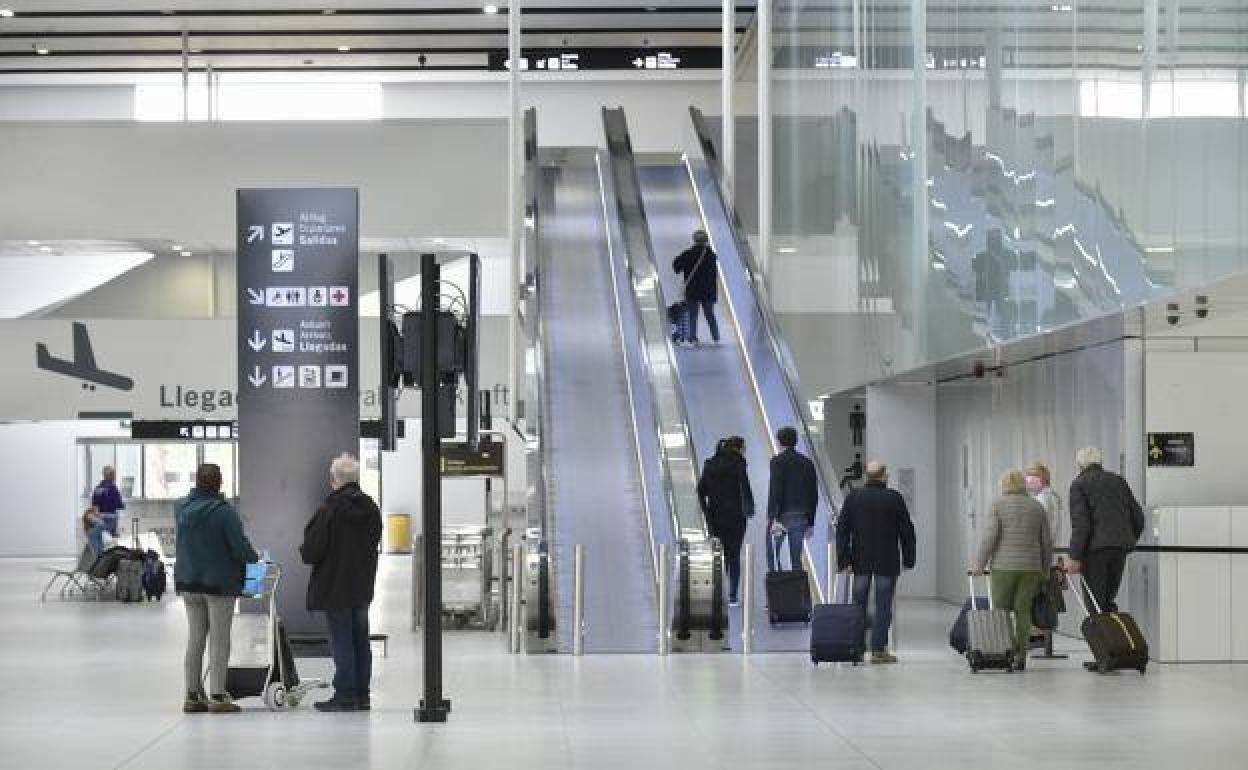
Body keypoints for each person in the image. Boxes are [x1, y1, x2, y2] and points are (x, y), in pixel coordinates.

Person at [300, 453, 383, 713]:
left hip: (334, 585)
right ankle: (361, 694)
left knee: (342, 640)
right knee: (360, 638)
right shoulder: (370, 507)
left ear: (335, 480)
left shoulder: (330, 509)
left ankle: (345, 694)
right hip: (361, 585)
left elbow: (311, 551)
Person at [174, 463, 258, 714]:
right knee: (219, 640)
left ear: (197, 481)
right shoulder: (224, 513)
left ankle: (192, 695)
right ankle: (218, 696)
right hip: (218, 584)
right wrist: (254, 558)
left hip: (188, 582)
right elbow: (241, 549)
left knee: (195, 638)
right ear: (220, 482)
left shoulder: (181, 508)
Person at [970, 469, 1053, 670]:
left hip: (1003, 567)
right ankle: (1021, 655)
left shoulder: (997, 505)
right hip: (1031, 568)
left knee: (1001, 611)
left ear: (1004, 485)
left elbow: (990, 537)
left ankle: (1006, 651)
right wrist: (1045, 569)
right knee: (1023, 611)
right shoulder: (1037, 507)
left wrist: (979, 564)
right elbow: (1046, 543)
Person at [835, 461, 916, 663]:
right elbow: (907, 531)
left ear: (866, 476)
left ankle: (857, 647)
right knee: (883, 605)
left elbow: (842, 530)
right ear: (884, 476)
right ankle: (879, 650)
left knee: (858, 605)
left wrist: (844, 560)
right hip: (886, 561)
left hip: (859, 560)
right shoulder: (894, 498)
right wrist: (908, 558)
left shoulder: (854, 497)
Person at [1065, 447, 1145, 622]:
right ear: (1100, 463)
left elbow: (1082, 525)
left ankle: (1101, 647)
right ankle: (1113, 646)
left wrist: (1074, 557)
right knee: (1108, 601)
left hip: (1094, 552)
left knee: (1095, 604)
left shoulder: (1079, 485)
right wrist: (1128, 540)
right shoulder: (1119, 481)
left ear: (1079, 465)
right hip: (1119, 549)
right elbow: (1138, 517)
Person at [697, 436, 754, 606]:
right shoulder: (739, 464)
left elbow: (700, 491)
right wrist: (748, 509)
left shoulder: (709, 465)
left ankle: (717, 593)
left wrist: (707, 513)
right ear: (737, 449)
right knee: (734, 555)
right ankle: (733, 595)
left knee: (717, 555)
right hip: (736, 518)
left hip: (716, 517)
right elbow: (745, 488)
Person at [766, 427, 819, 572]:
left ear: (779, 441)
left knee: (773, 556)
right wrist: (811, 521)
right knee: (796, 559)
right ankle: (798, 592)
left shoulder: (777, 462)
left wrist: (773, 517)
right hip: (801, 516)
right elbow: (813, 493)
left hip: (781, 515)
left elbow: (775, 489)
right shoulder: (807, 462)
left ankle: (779, 589)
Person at [672, 229, 719, 347]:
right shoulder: (711, 256)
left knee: (692, 315)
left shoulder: (688, 254)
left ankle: (692, 338)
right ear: (706, 240)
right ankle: (716, 337)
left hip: (692, 290)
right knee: (710, 314)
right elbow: (713, 275)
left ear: (694, 240)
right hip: (708, 291)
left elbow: (676, 265)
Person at [1025, 461, 1065, 551]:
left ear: (1043, 478)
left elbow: (1039, 524)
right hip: (1048, 545)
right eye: (1028, 475)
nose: (1029, 479)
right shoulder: (1050, 495)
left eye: (1034, 475)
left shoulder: (1043, 497)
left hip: (1042, 546)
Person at [87, 465, 125, 554]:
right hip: (109, 521)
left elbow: (95, 506)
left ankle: (100, 556)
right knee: (93, 535)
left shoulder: (97, 488)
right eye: (114, 474)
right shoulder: (113, 488)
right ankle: (100, 557)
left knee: (96, 536)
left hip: (100, 520)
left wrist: (98, 515)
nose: (115, 477)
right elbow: (119, 506)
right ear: (112, 475)